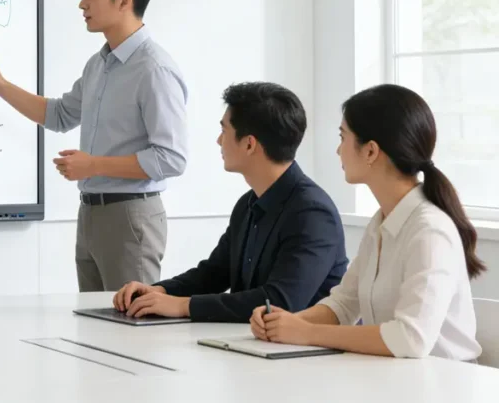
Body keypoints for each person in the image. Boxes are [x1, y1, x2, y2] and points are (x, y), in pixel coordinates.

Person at [0, 0, 188, 292]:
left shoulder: (153, 69)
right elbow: (58, 115)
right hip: (91, 214)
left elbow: (171, 158)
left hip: (130, 216)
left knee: (131, 320)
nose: (82, 4)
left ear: (124, 0)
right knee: (95, 320)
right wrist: (0, 85)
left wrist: (93, 165)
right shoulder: (99, 64)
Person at [250, 84, 485, 360]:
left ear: (371, 151)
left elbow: (410, 339)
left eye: (343, 137)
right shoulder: (382, 222)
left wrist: (306, 333)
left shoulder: (430, 230)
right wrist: (283, 323)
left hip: (444, 381)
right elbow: (343, 305)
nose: (338, 150)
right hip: (395, 375)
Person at [113, 82, 348, 322]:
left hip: (304, 345)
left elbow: (280, 300)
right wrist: (160, 291)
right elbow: (215, 273)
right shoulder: (248, 203)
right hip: (253, 339)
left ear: (249, 144)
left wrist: (184, 306)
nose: (218, 140)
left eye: (224, 131)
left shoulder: (312, 213)